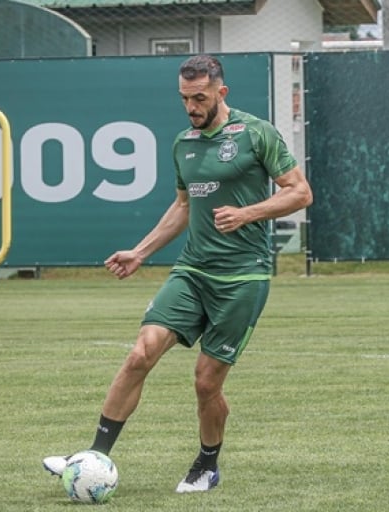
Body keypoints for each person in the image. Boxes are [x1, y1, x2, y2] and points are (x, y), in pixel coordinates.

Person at [43, 54, 313, 493]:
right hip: (192, 271)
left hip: (242, 278)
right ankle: (93, 456)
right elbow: (184, 207)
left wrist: (247, 213)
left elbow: (300, 193)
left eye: (200, 97)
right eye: (185, 98)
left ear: (220, 93)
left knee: (206, 382)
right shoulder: (183, 143)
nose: (191, 106)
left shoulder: (257, 133)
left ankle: (207, 464)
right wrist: (140, 252)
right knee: (139, 354)